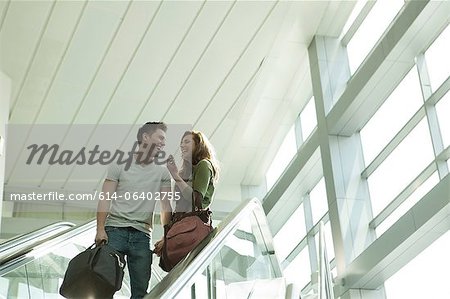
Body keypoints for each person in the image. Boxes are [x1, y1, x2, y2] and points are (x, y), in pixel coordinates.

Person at [95, 122, 172, 299]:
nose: (163, 143)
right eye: (160, 137)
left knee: (140, 294)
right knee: (103, 288)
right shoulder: (118, 165)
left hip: (142, 237)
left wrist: (166, 237)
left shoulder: (162, 173)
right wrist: (100, 229)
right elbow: (105, 197)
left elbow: (165, 207)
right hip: (114, 232)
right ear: (145, 137)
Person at [154, 130, 220, 255]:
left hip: (192, 230)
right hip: (180, 228)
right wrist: (166, 237)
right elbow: (178, 209)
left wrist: (175, 175)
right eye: (181, 143)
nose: (182, 145)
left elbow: (196, 200)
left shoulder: (204, 165)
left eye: (187, 142)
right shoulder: (184, 173)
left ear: (198, 145)